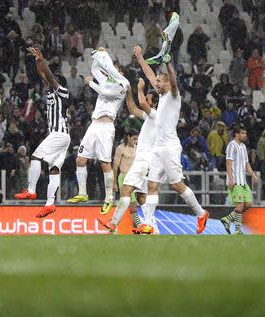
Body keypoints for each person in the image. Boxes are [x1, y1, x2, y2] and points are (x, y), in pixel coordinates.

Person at [134, 45, 209, 234]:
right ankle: (149, 224)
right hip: (158, 149)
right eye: (156, 81)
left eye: (159, 82)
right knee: (152, 185)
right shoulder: (161, 95)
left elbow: (174, 81)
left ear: (166, 84)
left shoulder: (174, 96)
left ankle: (201, 213)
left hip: (170, 147)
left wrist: (168, 64)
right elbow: (150, 74)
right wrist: (140, 57)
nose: (156, 84)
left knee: (176, 185)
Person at [67, 48, 130, 215]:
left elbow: (105, 92)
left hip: (106, 127)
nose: (111, 70)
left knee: (104, 163)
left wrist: (90, 83)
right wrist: (100, 54)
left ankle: (109, 197)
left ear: (121, 72)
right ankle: (82, 193)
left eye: (115, 68)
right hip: (94, 125)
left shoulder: (122, 85)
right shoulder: (107, 80)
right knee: (80, 159)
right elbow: (95, 69)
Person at [98, 78, 160, 234]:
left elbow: (142, 105)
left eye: (148, 99)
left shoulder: (155, 115)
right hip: (146, 161)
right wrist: (128, 92)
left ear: (154, 104)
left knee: (126, 191)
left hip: (145, 161)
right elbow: (133, 109)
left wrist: (139, 88)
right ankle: (152, 228)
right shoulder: (149, 117)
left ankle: (114, 223)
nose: (145, 101)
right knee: (141, 198)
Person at [14, 47, 71, 218]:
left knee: (36, 157)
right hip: (62, 136)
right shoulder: (52, 92)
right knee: (54, 169)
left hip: (58, 134)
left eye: (54, 80)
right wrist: (38, 60)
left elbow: (50, 77)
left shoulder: (62, 92)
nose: (50, 81)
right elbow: (43, 74)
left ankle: (31, 190)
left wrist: (43, 58)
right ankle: (50, 203)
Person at [220, 125, 258, 234]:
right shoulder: (231, 145)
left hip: (243, 181)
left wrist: (253, 175)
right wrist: (231, 179)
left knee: (249, 204)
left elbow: (247, 164)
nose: (245, 135)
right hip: (235, 180)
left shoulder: (243, 146)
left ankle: (227, 219)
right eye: (243, 133)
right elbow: (228, 163)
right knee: (240, 205)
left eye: (245, 133)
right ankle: (237, 230)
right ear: (237, 134)